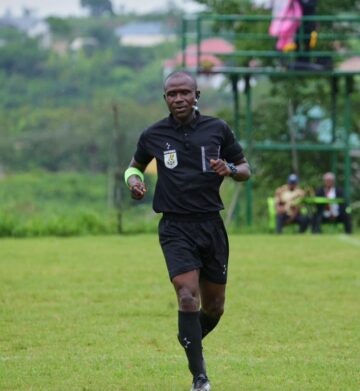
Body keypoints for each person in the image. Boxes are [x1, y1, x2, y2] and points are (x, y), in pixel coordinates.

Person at [124, 70, 251, 391]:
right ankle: (200, 378)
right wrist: (134, 181)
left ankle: (189, 337)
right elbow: (133, 166)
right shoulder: (153, 134)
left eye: (185, 93)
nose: (178, 98)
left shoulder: (217, 129)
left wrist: (231, 168)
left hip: (211, 225)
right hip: (175, 226)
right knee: (186, 295)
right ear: (165, 98)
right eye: (172, 94)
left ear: (197, 96)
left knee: (215, 306)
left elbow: (246, 168)